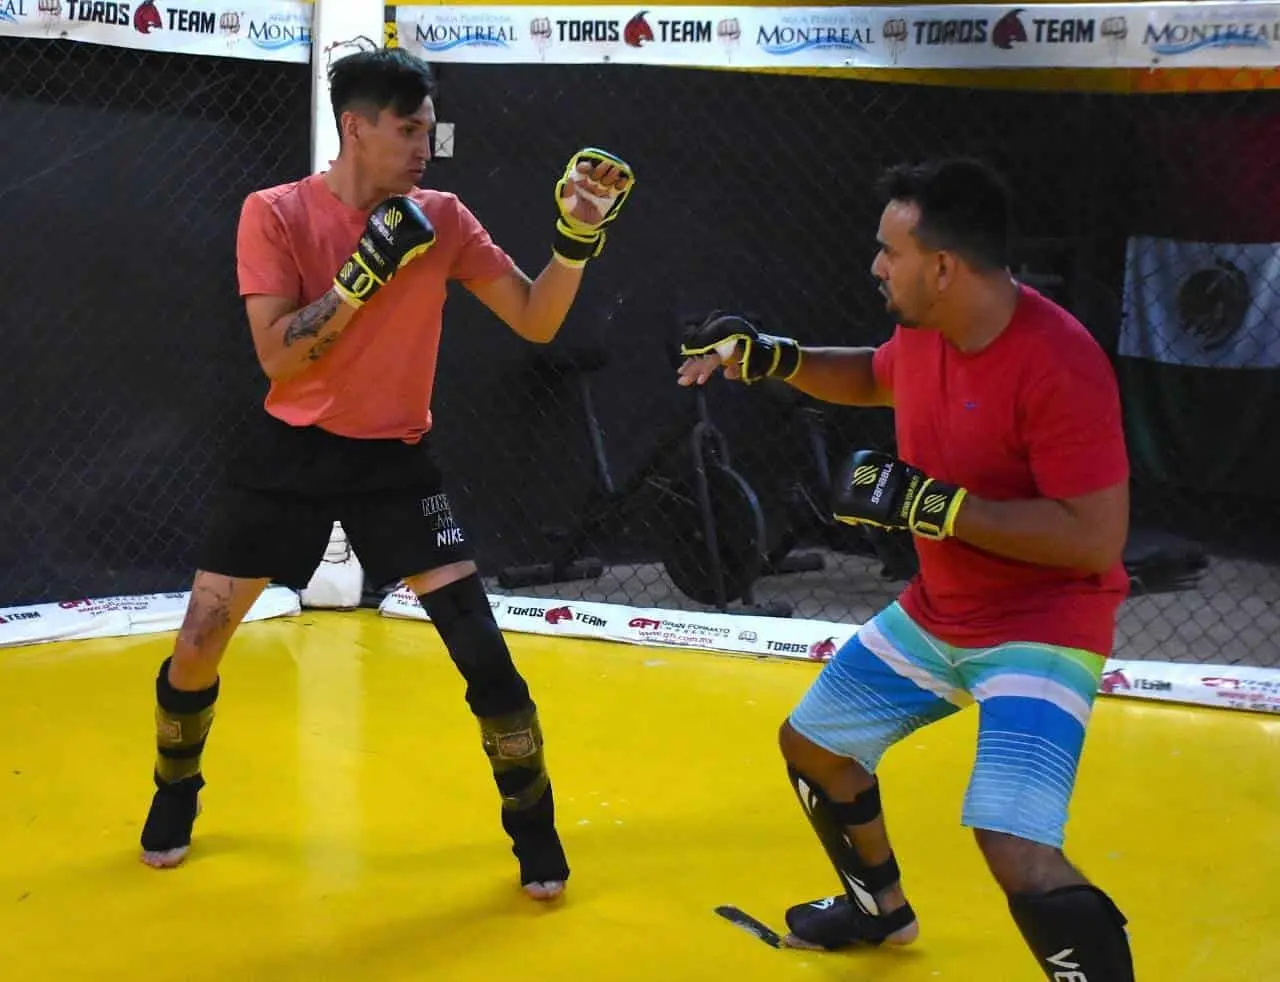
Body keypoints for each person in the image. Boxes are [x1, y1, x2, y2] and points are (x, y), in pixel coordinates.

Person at [139, 47, 634, 903]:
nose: (423, 148)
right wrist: (363, 275)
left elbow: (535, 318)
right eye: (407, 131)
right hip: (288, 455)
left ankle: (535, 829)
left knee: (484, 654)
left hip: (395, 461)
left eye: (428, 131)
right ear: (356, 127)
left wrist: (576, 239)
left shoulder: (441, 217)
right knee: (198, 642)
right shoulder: (274, 213)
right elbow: (277, 357)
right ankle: (175, 790)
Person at [678, 158, 1135, 980]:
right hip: (938, 610)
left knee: (1015, 845)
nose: (877, 266)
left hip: (1042, 627)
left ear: (944, 267)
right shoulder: (926, 329)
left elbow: (1095, 539)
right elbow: (874, 374)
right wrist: (773, 358)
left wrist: (937, 507)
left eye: (892, 252)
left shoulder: (1061, 362)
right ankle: (877, 909)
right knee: (815, 745)